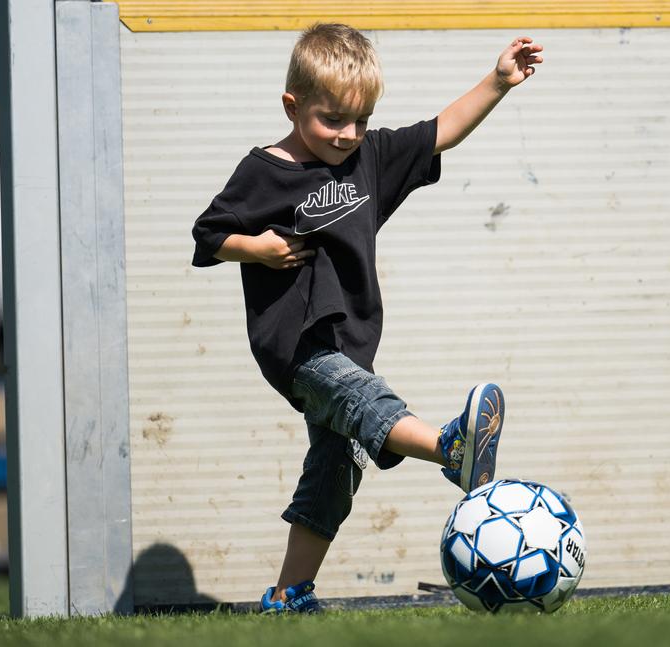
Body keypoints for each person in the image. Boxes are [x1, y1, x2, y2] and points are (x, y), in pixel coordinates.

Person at [191, 23, 543, 614]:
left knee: (333, 472)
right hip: (298, 347)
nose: (348, 134)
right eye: (332, 120)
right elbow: (209, 233)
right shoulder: (264, 172)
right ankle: (451, 449)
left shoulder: (368, 158)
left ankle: (287, 594)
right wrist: (256, 249)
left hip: (350, 343)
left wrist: (499, 82)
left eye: (361, 120)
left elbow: (440, 132)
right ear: (292, 105)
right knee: (364, 400)